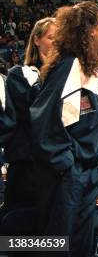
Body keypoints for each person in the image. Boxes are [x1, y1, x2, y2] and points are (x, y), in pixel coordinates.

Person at [29, 2, 98, 256]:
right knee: (57, 246)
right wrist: (68, 165)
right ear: (90, 31)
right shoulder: (69, 66)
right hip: (70, 175)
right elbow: (43, 121)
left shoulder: (90, 69)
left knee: (79, 246)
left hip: (87, 172)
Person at [0, 17, 56, 213]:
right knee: (18, 235)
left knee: (54, 237)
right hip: (26, 164)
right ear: (37, 40)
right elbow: (34, 113)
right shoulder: (19, 74)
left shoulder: (71, 76)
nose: (56, 43)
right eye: (51, 38)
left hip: (58, 166)